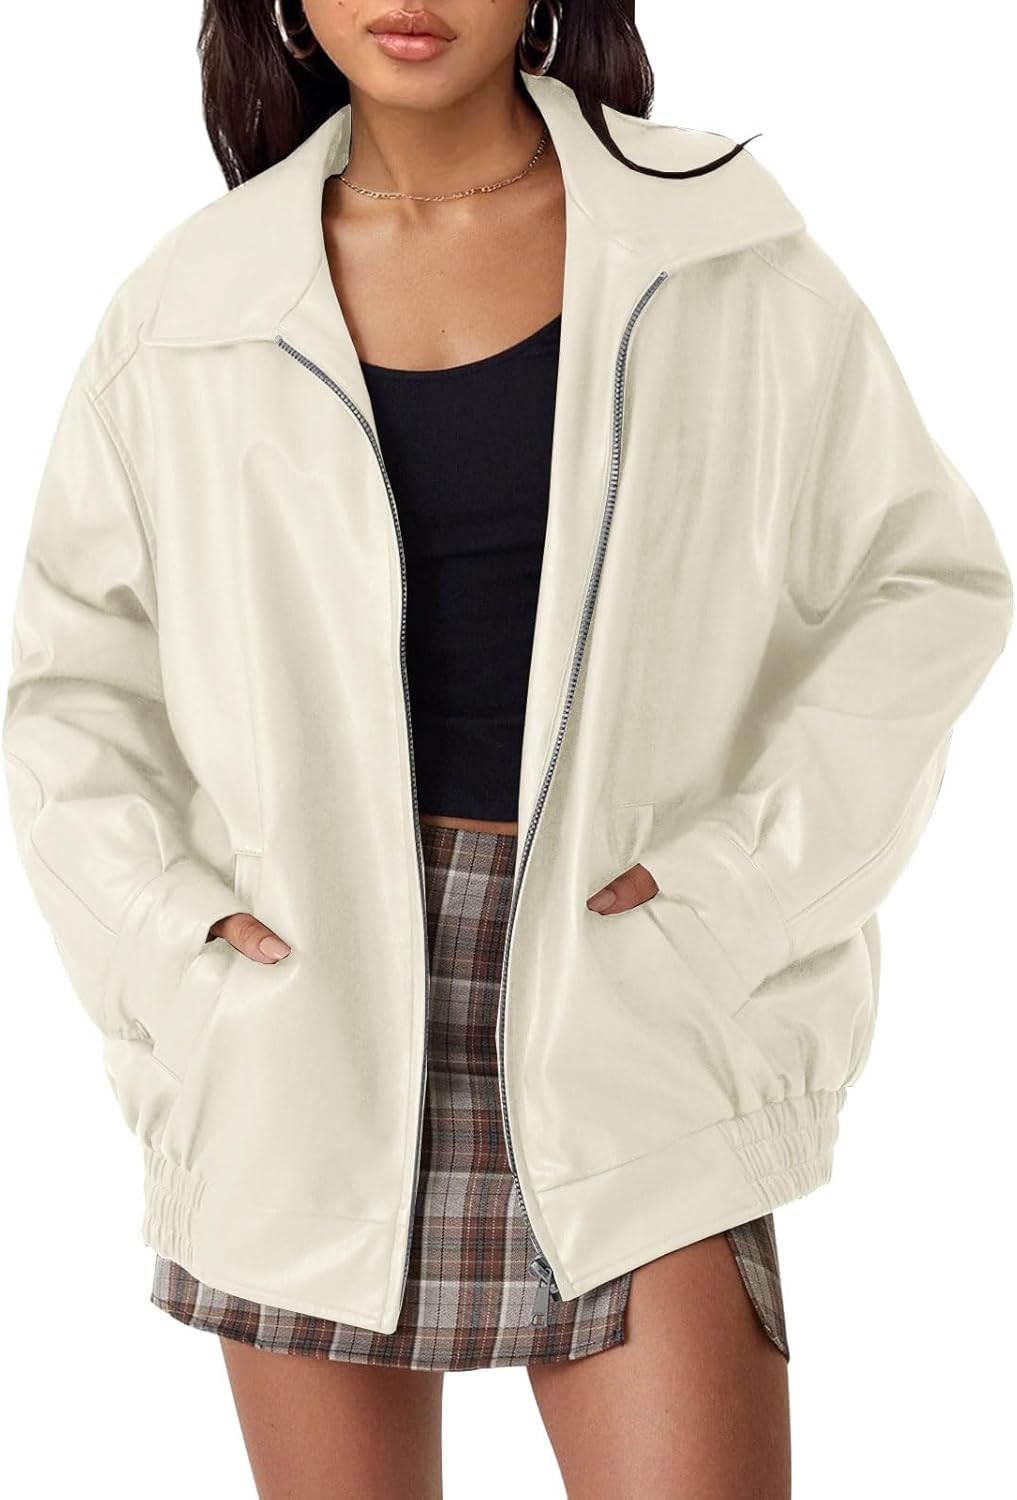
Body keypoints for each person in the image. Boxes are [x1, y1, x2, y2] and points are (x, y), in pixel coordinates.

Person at [3, 2, 1011, 1495]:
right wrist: (176, 940)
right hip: (303, 1008)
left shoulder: (708, 248)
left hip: (619, 978)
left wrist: (740, 887)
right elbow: (74, 687)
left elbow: (922, 586)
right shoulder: (191, 304)